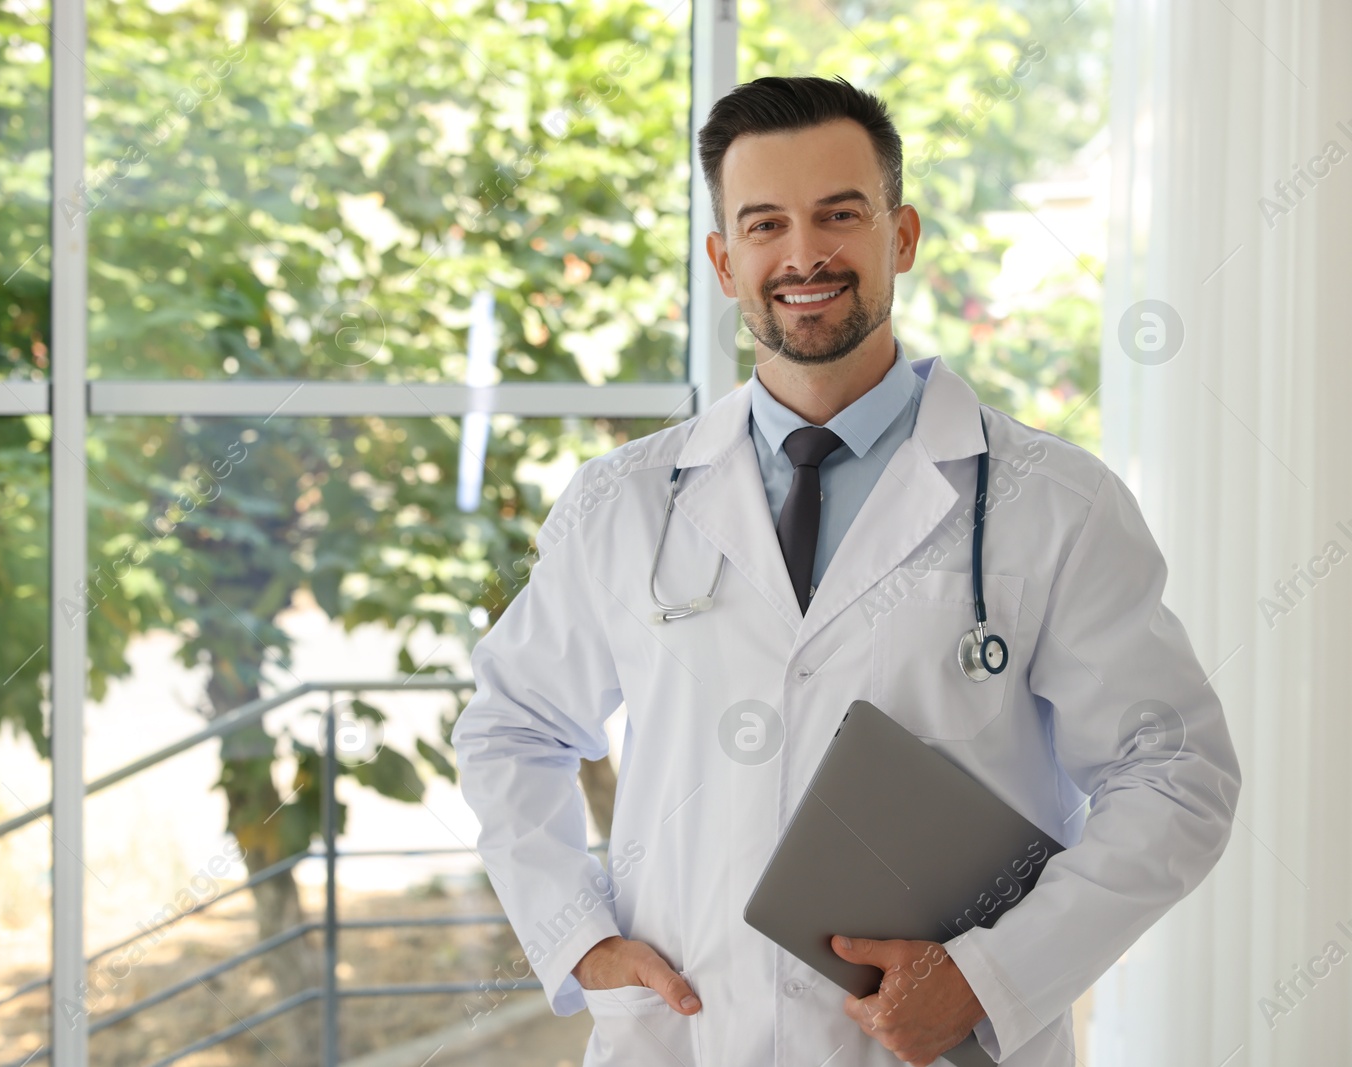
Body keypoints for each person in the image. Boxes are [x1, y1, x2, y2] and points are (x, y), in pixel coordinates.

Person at [451, 75, 1240, 1067]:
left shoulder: (1053, 501)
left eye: (838, 215)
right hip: (684, 1038)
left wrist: (991, 979)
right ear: (723, 259)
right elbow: (509, 724)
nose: (803, 254)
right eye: (764, 224)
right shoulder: (624, 502)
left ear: (900, 236)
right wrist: (577, 935)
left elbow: (1173, 773)